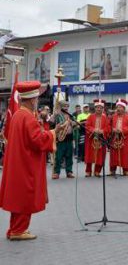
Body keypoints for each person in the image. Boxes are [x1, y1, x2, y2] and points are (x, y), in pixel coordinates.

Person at [0, 81, 63, 240]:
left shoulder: (18, 115)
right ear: (31, 100)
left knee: (18, 198)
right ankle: (18, 231)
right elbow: (38, 140)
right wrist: (53, 132)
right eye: (36, 99)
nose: (37, 102)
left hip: (19, 162)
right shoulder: (27, 117)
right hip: (25, 165)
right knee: (24, 197)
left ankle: (16, 228)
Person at [84, 99, 110, 177]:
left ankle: (97, 171)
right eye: (97, 107)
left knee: (100, 156)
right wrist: (93, 130)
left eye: (100, 108)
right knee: (89, 156)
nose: (99, 109)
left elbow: (108, 127)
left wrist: (102, 131)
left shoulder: (105, 118)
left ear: (103, 109)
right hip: (91, 139)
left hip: (101, 139)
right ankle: (88, 171)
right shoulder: (90, 117)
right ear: (95, 108)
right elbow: (87, 126)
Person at [109, 99, 128, 176]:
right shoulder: (113, 117)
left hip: (124, 139)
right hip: (114, 138)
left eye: (120, 107)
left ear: (124, 108)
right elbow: (109, 126)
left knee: (125, 154)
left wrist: (121, 130)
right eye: (117, 107)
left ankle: (125, 170)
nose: (118, 109)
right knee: (113, 155)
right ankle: (112, 170)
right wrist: (112, 129)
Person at [52, 100, 75, 180]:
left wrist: (74, 124)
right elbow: (51, 122)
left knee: (69, 156)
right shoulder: (58, 114)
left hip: (69, 138)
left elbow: (74, 125)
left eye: (67, 106)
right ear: (61, 107)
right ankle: (56, 172)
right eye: (64, 106)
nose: (66, 108)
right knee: (59, 156)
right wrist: (54, 115)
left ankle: (69, 171)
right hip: (60, 138)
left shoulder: (70, 115)